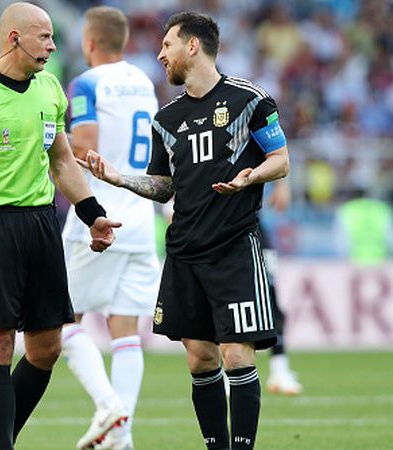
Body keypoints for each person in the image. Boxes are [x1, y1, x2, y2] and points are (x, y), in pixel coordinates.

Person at [83, 12, 290, 450]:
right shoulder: (167, 118)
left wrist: (251, 177)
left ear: (192, 47)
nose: (160, 54)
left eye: (167, 46)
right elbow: (163, 187)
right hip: (183, 251)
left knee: (237, 353)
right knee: (200, 358)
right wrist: (121, 179)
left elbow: (282, 159)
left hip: (234, 245)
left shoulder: (249, 100)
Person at [0, 3, 121, 450]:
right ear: (13, 38)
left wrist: (92, 215)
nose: (53, 46)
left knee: (46, 348)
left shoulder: (51, 89)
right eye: (44, 37)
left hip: (39, 224)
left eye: (53, 37)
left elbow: (62, 162)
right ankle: (4, 446)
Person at [59, 6, 160, 450]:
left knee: (60, 321)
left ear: (90, 42)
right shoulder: (145, 83)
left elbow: (83, 147)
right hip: (140, 220)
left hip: (96, 219)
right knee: (125, 331)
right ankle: (123, 438)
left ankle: (107, 406)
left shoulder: (86, 82)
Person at [262, 180, 303, 396]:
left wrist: (282, 185)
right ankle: (224, 376)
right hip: (210, 229)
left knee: (270, 298)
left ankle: (280, 369)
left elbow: (274, 150)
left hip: (251, 224)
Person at [334, 187, 393, 266]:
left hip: (355, 260)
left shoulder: (347, 209)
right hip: (381, 260)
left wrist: (345, 258)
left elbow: (341, 238)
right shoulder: (382, 208)